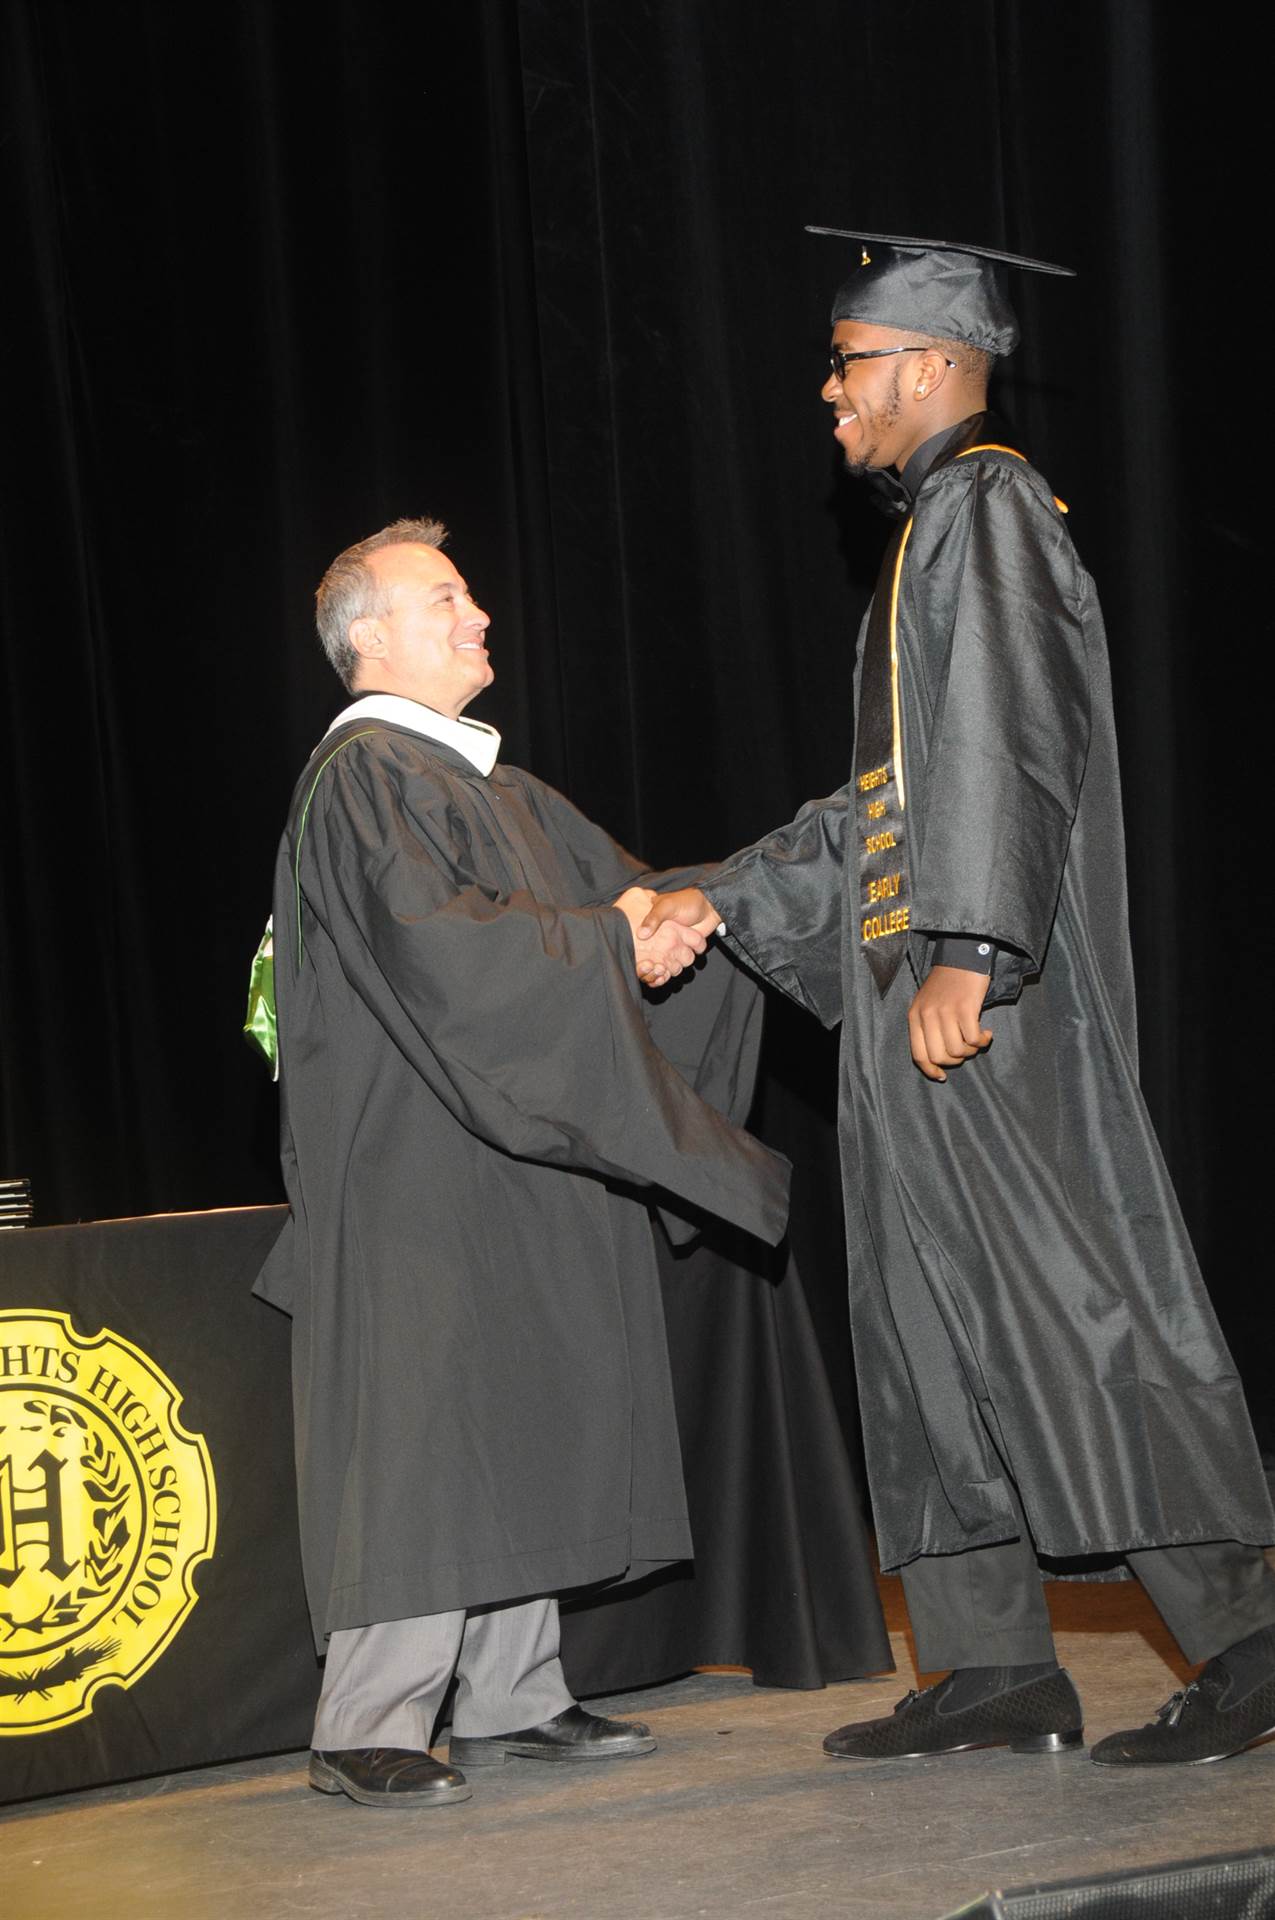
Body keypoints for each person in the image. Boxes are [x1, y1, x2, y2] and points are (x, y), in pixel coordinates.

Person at [639, 230, 1275, 1767]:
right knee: (925, 1329)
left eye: (851, 363)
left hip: (990, 1017)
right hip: (904, 1019)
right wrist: (717, 893)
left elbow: (1009, 741)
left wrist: (975, 949)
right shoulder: (929, 537)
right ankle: (996, 1662)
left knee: (1073, 1305)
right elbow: (886, 810)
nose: (830, 391)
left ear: (930, 366)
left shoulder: (986, 510)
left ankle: (1252, 1637)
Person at [253, 517, 791, 1809]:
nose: (480, 615)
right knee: (424, 1433)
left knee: (518, 1409)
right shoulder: (369, 776)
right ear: (366, 634)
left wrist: (713, 911)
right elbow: (459, 957)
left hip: (514, 1163)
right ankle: (369, 1720)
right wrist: (615, 938)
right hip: (415, 1171)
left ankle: (510, 1697)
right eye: (446, 597)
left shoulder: (501, 789)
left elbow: (627, 901)